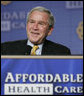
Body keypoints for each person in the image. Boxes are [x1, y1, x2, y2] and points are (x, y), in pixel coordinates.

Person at [1, 6, 71, 55]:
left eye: (41, 23)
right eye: (32, 22)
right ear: (26, 26)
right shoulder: (6, 49)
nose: (35, 27)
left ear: (50, 30)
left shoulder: (62, 52)